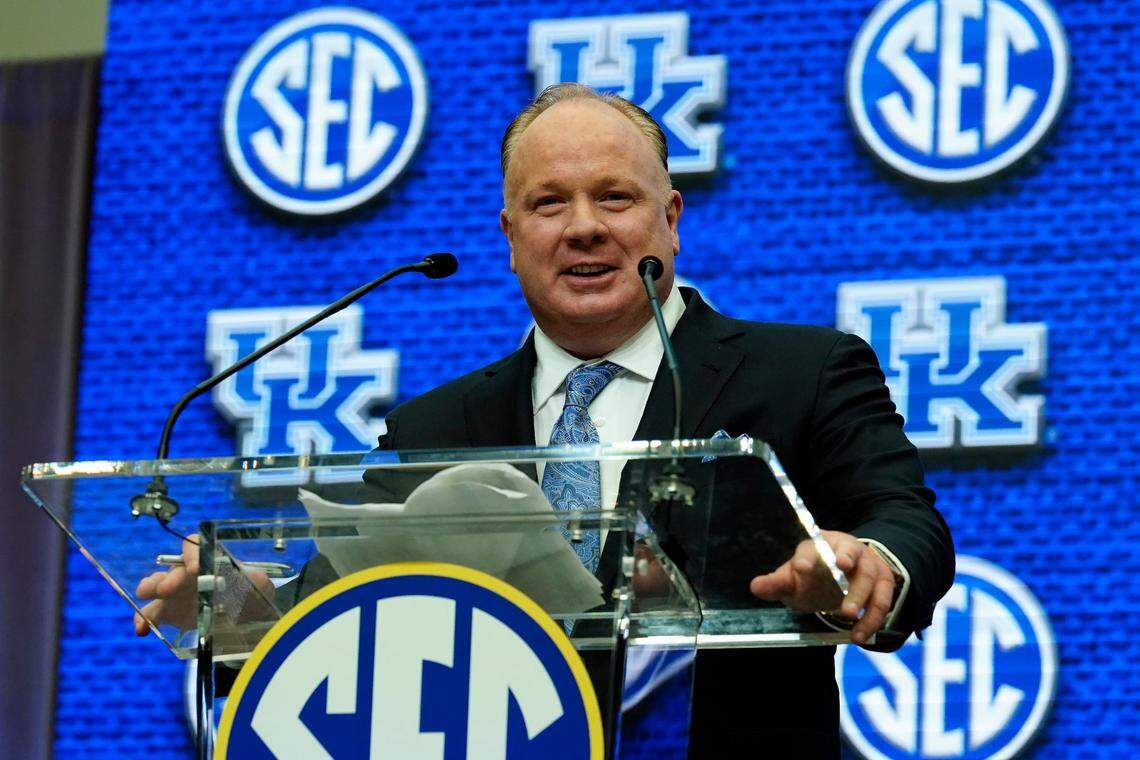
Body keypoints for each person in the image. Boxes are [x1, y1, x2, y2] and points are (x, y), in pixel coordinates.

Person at [137, 83, 954, 756]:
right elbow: (353, 608)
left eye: (615, 197)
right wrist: (245, 608)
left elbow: (906, 522)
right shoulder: (434, 426)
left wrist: (861, 565)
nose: (585, 227)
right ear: (511, 234)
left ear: (670, 218)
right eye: (549, 203)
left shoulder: (802, 371)